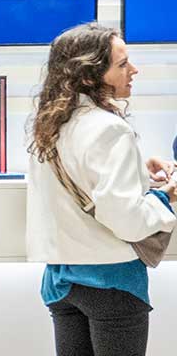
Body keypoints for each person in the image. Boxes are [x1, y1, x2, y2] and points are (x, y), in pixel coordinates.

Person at [27, 23, 177, 356]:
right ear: (89, 75)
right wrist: (165, 195)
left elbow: (78, 188)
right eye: (122, 64)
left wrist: (138, 172)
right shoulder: (110, 129)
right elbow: (125, 219)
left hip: (61, 281)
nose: (133, 70)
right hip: (111, 282)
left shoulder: (50, 125)